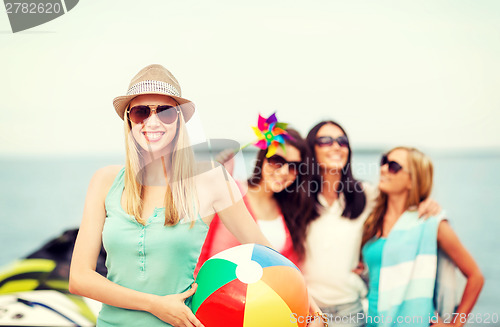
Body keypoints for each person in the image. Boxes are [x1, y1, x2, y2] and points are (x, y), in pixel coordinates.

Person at [68, 64, 272, 327]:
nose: (152, 121)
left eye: (165, 112)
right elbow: (79, 278)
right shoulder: (105, 181)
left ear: (179, 120)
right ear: (129, 119)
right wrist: (155, 304)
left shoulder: (212, 180)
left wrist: (309, 310)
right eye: (142, 112)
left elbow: (268, 256)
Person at [302, 121, 441, 327]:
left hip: (350, 311)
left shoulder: (366, 194)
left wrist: (427, 202)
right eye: (325, 141)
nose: (336, 146)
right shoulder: (297, 199)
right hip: (305, 309)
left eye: (342, 141)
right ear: (311, 150)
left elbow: (403, 194)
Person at [361, 147, 484, 327]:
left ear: (412, 180)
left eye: (394, 166)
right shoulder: (373, 219)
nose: (384, 169)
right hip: (372, 321)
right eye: (384, 161)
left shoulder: (429, 223)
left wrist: (455, 325)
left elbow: (475, 277)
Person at [197, 128, 317, 270]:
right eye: (277, 160)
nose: (284, 172)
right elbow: (198, 247)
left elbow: (287, 272)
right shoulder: (230, 191)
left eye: (294, 166)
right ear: (262, 158)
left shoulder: (290, 212)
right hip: (213, 290)